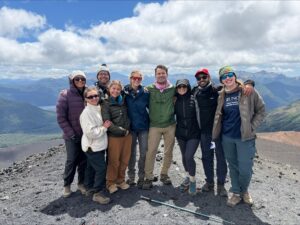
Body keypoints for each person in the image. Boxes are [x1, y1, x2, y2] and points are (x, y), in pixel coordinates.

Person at [192, 68, 254, 197]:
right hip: (204, 133)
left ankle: (220, 185)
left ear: (208, 77)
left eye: (204, 77)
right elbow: (181, 92)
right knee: (206, 158)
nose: (201, 80)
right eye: (199, 78)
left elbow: (235, 86)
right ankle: (209, 182)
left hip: (219, 132)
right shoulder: (195, 92)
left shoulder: (218, 90)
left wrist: (249, 83)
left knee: (221, 159)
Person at [212, 66, 265, 207]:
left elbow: (261, 110)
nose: (227, 78)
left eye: (230, 75)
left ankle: (245, 191)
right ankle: (236, 193)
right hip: (227, 137)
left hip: (245, 138)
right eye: (224, 77)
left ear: (234, 76)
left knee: (245, 168)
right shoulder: (221, 94)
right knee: (233, 166)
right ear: (221, 80)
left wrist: (252, 127)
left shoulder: (248, 91)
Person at [143, 65, 176, 189]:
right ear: (155, 75)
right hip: (154, 125)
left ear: (167, 74)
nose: (161, 75)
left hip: (170, 125)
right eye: (159, 73)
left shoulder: (173, 89)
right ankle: (149, 177)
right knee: (151, 151)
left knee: (168, 152)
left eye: (163, 73)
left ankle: (164, 174)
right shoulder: (149, 89)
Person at [56, 70, 87, 197]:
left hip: (85, 135)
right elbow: (61, 118)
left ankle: (81, 184)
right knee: (71, 160)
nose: (80, 81)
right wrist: (71, 134)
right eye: (77, 79)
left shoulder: (87, 93)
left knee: (84, 160)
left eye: (82, 79)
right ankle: (67, 186)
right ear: (72, 81)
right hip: (71, 136)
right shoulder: (65, 95)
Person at [79, 86, 112, 204]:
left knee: (90, 167)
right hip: (93, 146)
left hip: (95, 145)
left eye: (96, 96)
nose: (94, 98)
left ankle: (89, 188)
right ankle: (98, 193)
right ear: (86, 99)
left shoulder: (96, 108)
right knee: (101, 169)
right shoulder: (86, 113)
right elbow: (90, 132)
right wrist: (104, 128)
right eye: (90, 97)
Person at [101, 80, 132, 194]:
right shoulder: (106, 103)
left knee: (124, 160)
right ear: (109, 89)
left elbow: (128, 116)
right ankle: (110, 182)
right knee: (114, 161)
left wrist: (127, 130)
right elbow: (107, 122)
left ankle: (120, 180)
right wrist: (121, 131)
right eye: (113, 88)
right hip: (114, 136)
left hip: (127, 135)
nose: (115, 91)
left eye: (118, 89)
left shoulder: (123, 101)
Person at [174, 79, 200, 195]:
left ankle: (193, 181)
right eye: (179, 87)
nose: (182, 89)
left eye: (184, 86)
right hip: (180, 134)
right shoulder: (174, 100)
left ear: (188, 87)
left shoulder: (194, 99)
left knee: (189, 156)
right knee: (184, 157)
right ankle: (188, 176)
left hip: (193, 133)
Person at [124, 70, 150, 188]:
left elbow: (152, 106)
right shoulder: (125, 92)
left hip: (144, 126)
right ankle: (131, 177)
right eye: (134, 78)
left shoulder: (145, 92)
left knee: (144, 153)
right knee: (131, 154)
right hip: (131, 128)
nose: (136, 80)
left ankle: (141, 177)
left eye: (139, 78)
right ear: (130, 78)